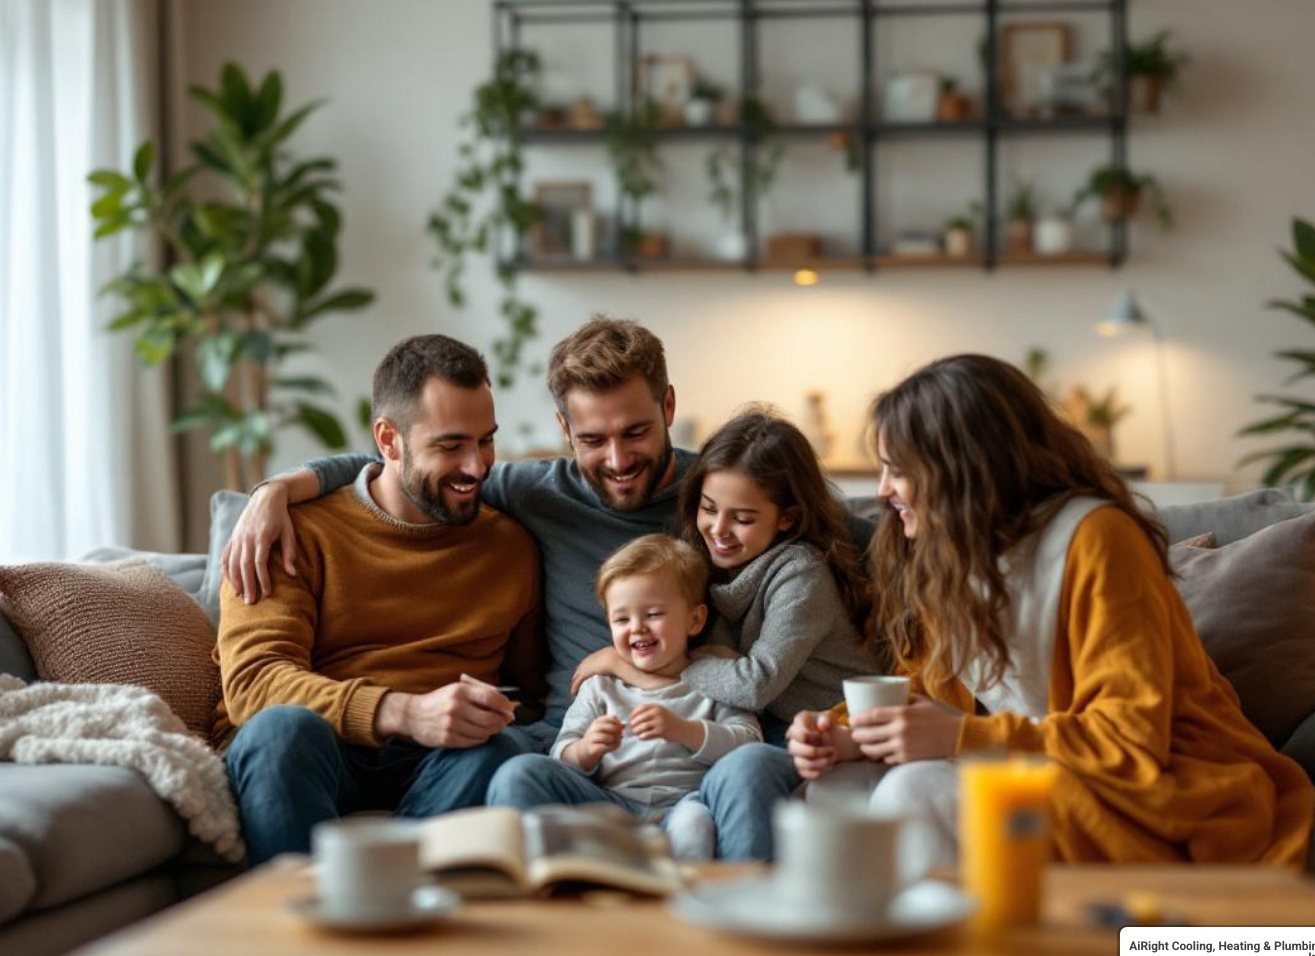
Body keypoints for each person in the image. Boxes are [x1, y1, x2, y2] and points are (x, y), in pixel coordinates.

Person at [220, 317, 870, 858]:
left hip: (703, 739)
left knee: (499, 752)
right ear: (563, 432)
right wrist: (278, 487)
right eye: (592, 439)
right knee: (505, 764)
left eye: (636, 432)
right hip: (581, 751)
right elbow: (402, 474)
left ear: (668, 407)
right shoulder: (523, 495)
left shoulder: (723, 494)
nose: (617, 460)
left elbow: (851, 528)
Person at [787, 354, 1315, 876]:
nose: (881, 491)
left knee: (914, 788)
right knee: (837, 788)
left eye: (898, 471)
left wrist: (959, 738)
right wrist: (845, 733)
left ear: (964, 468)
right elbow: (929, 689)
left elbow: (1129, 740)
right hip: (1036, 765)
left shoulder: (1099, 540)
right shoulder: (952, 556)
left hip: (1150, 783)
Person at [216, 334, 544, 866]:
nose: (478, 466)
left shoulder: (510, 548)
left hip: (442, 760)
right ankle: (300, 930)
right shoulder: (288, 532)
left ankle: (401, 906)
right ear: (389, 441)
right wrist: (405, 712)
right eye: (450, 445)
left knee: (501, 750)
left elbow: (532, 690)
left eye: (486, 441)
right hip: (321, 746)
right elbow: (253, 685)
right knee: (278, 730)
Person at [559, 409, 884, 855]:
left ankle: (738, 891)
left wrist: (627, 666)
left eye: (743, 519)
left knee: (744, 765)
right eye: (709, 509)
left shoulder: (801, 574)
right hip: (760, 729)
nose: (719, 530)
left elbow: (753, 683)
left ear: (786, 518)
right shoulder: (705, 564)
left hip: (821, 734)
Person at [489, 535, 761, 858]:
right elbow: (561, 751)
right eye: (622, 619)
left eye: (653, 614)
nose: (637, 628)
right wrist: (586, 750)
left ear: (695, 619)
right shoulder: (601, 685)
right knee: (521, 772)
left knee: (695, 824)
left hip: (687, 803)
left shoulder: (719, 678)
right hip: (609, 804)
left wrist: (683, 730)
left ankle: (681, 896)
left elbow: (748, 744)